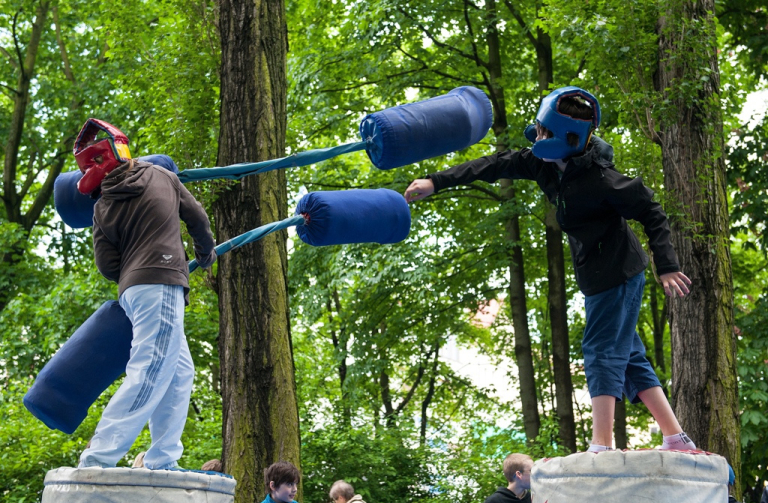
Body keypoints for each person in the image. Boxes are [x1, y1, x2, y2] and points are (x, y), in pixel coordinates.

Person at [404, 86, 696, 453]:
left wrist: (667, 265)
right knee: (629, 355)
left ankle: (601, 445)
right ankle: (676, 437)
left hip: (619, 272)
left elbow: (651, 210)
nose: (536, 137)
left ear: (566, 137)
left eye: (543, 132)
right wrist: (436, 181)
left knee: (601, 350)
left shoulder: (603, 179)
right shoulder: (539, 162)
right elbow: (492, 165)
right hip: (595, 274)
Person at [75, 118, 216, 469]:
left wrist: (133, 259)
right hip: (162, 281)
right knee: (151, 368)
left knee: (180, 371)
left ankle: (162, 459)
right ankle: (97, 459)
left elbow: (108, 266)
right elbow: (197, 217)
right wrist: (204, 253)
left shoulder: (102, 206)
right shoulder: (161, 176)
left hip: (135, 291)